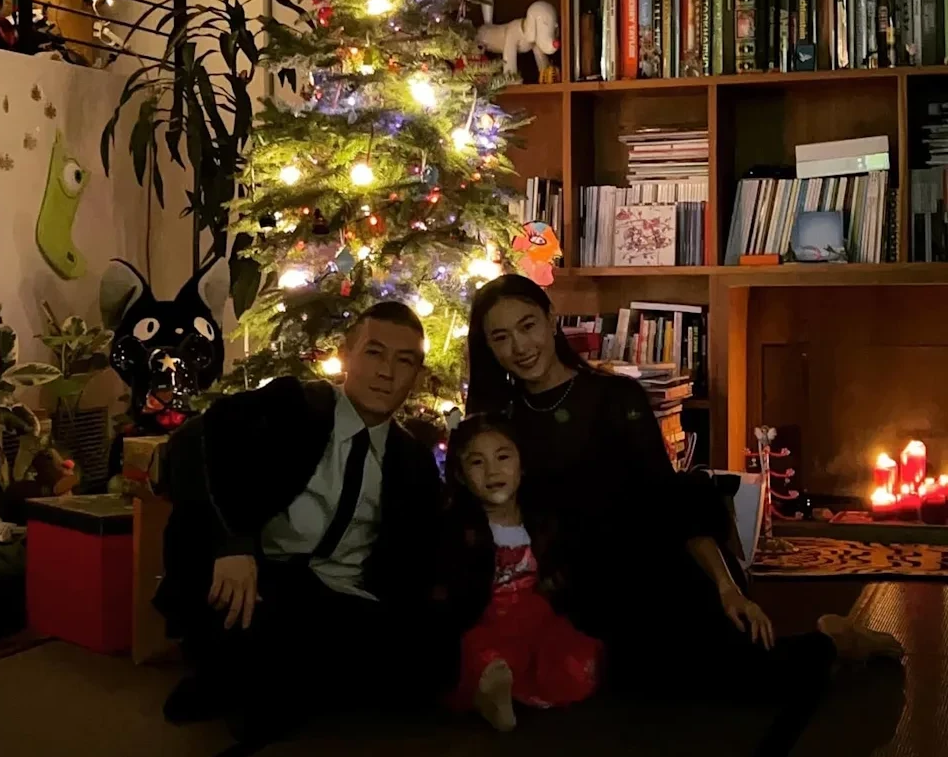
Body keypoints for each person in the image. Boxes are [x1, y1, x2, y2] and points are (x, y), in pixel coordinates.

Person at [465, 275, 902, 748]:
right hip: (579, 589)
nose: (519, 347)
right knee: (638, 689)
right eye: (501, 337)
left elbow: (670, 501)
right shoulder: (499, 424)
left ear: (552, 319)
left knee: (752, 680)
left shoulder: (615, 398)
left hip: (655, 569)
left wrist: (726, 587)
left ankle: (837, 639)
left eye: (527, 325)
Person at [155, 301, 449, 742]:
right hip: (263, 576)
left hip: (340, 597)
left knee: (425, 662)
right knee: (261, 628)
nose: (387, 372)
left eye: (404, 361)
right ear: (346, 355)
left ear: (416, 375)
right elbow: (190, 441)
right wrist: (232, 544)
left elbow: (418, 558)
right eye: (374, 353)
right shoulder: (294, 405)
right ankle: (254, 683)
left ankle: (275, 683)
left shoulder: (414, 461)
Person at [438, 412, 602, 732]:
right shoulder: (460, 529)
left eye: (503, 457)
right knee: (478, 654)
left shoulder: (541, 521)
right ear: (460, 474)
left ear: (522, 463)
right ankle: (490, 694)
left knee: (571, 659)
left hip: (535, 619)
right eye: (477, 462)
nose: (492, 471)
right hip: (485, 620)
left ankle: (516, 687)